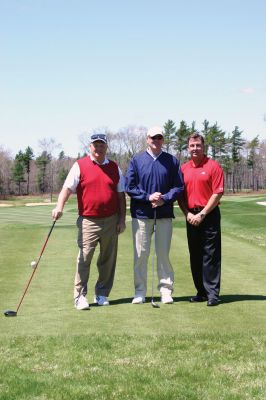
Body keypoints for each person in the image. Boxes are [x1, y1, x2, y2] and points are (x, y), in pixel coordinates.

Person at [52, 133, 126, 310]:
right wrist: (59, 206)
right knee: (84, 258)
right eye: (95, 145)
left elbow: (121, 195)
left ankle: (102, 293)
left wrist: (122, 219)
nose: (98, 148)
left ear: (106, 147)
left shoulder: (115, 167)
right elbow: (67, 188)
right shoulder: (80, 165)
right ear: (90, 147)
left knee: (108, 259)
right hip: (88, 221)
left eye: (102, 145)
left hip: (111, 219)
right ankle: (80, 296)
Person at [125, 126, 184, 304]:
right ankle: (140, 291)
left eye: (159, 138)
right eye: (153, 138)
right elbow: (130, 186)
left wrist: (164, 198)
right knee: (141, 254)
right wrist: (148, 197)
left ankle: (166, 291)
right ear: (147, 139)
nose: (156, 141)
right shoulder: (137, 160)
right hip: (142, 214)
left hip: (164, 213)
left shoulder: (171, 161)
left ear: (163, 140)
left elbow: (179, 187)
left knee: (163, 254)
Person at [178, 132, 224, 306]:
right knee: (195, 255)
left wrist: (203, 213)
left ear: (203, 147)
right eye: (192, 145)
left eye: (198, 145)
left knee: (210, 255)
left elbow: (218, 193)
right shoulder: (183, 169)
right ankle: (201, 292)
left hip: (209, 215)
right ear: (188, 148)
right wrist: (187, 214)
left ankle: (212, 294)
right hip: (191, 215)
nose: (195, 148)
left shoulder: (213, 166)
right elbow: (179, 195)